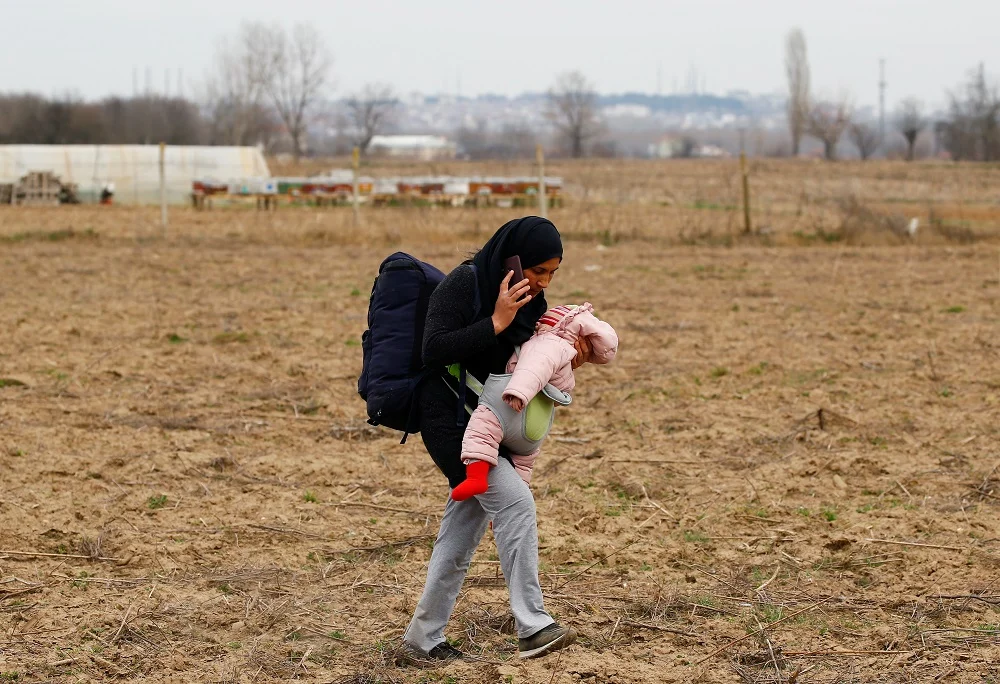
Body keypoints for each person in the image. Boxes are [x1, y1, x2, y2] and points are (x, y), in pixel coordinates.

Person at [400, 216, 591, 662]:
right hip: (448, 418)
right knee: (515, 503)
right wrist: (496, 321)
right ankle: (534, 625)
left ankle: (421, 639)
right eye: (537, 270)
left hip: (489, 420)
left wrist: (567, 360)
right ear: (512, 258)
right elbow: (434, 350)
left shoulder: (529, 299)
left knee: (462, 531)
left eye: (551, 274)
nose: (543, 283)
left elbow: (522, 362)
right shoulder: (465, 283)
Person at [451, 302, 618, 500]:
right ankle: (513, 504)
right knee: (523, 464)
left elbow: (532, 369)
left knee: (482, 429)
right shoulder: (567, 358)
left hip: (513, 411)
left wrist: (519, 392)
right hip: (536, 427)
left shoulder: (549, 344)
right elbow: (558, 392)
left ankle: (476, 477)